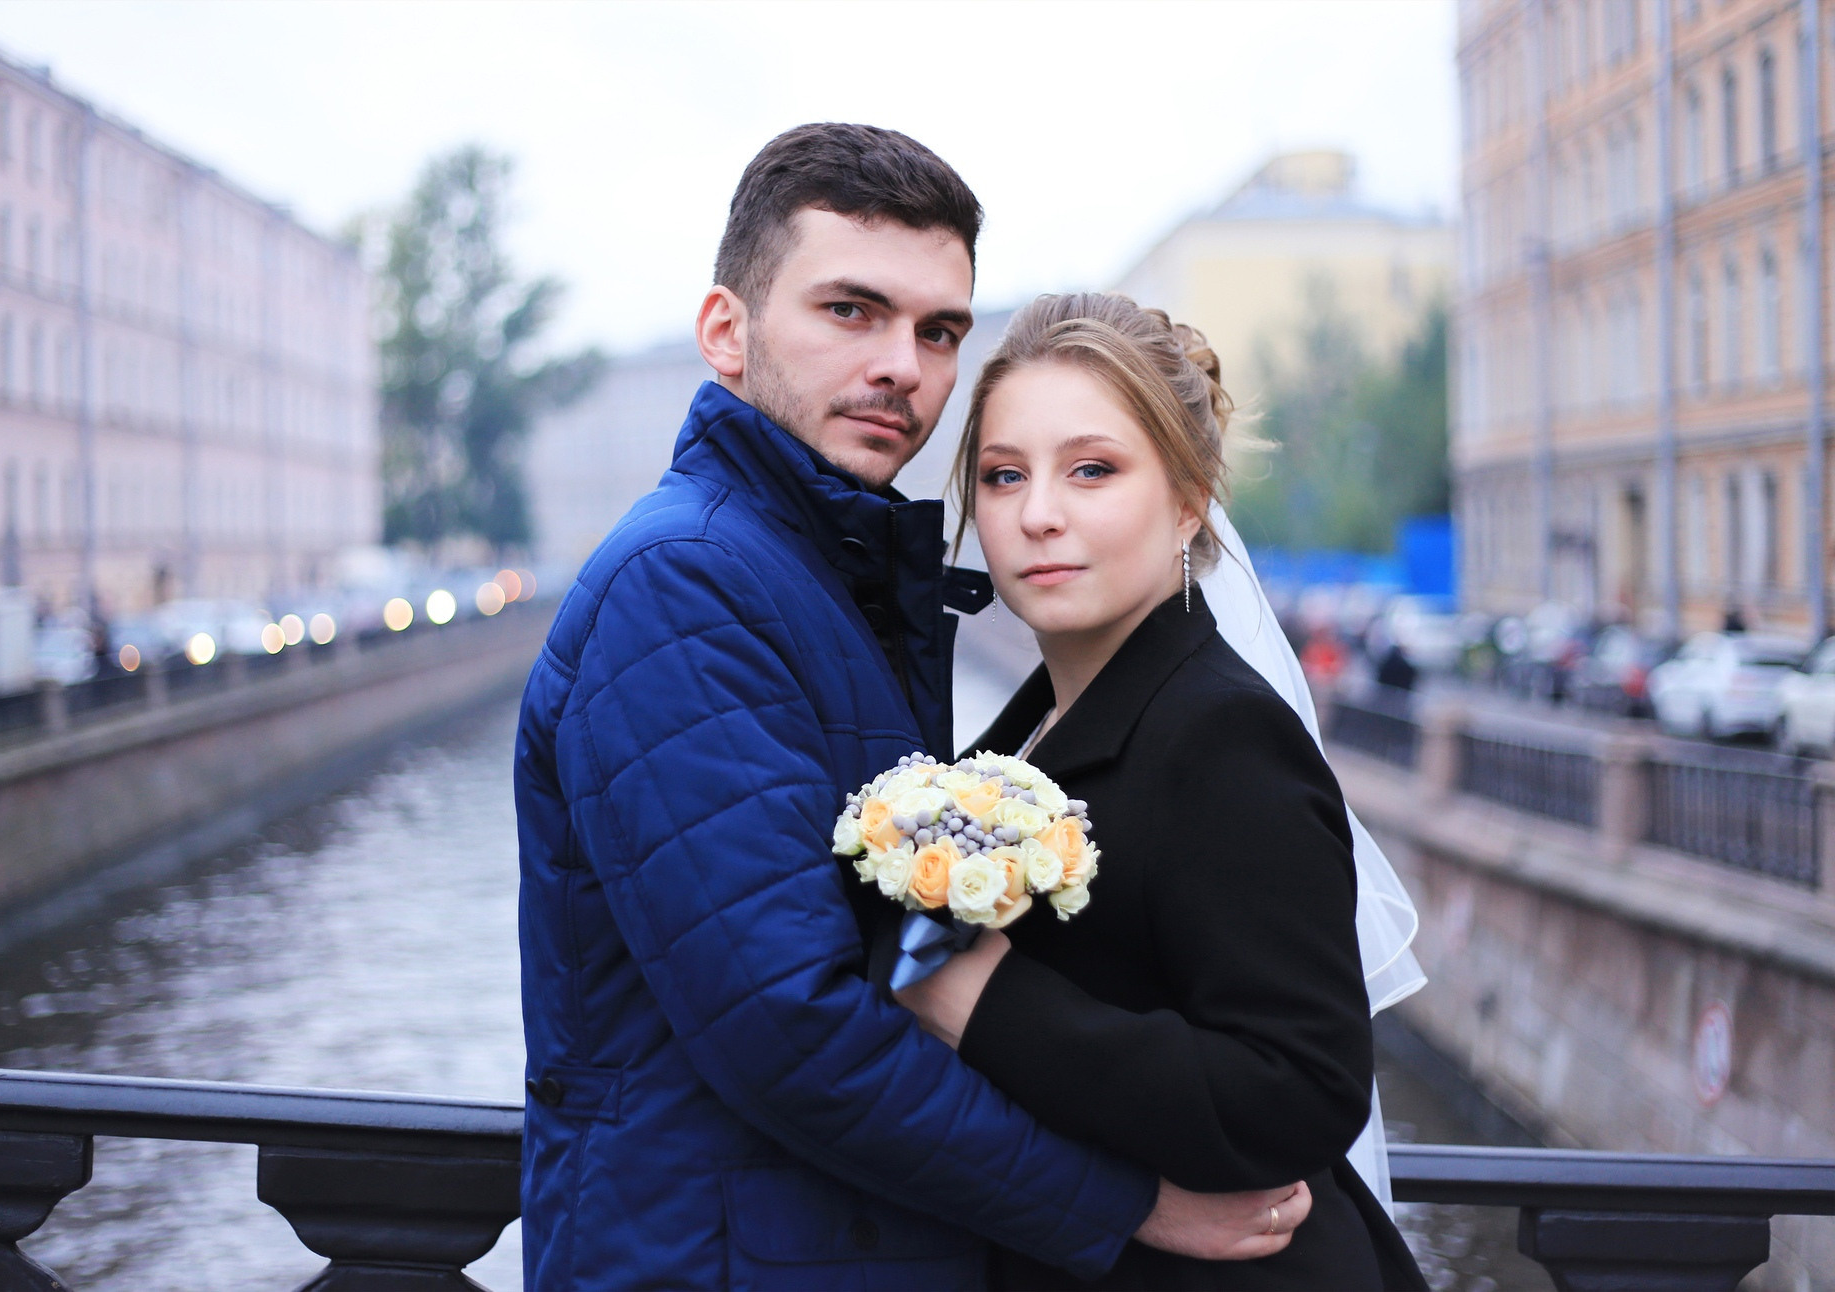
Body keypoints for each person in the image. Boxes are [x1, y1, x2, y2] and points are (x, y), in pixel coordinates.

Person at [513, 125, 1298, 1288]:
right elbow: (793, 1024)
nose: (904, 367)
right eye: (850, 311)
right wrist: (1122, 1200)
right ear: (725, 332)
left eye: (938, 331)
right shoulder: (684, 587)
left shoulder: (829, 571)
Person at [889, 292, 1427, 1288]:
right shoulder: (1036, 722)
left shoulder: (1221, 733)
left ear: (1186, 498)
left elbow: (1298, 1089)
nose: (1036, 510)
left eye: (1090, 469)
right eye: (1003, 475)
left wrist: (979, 995)